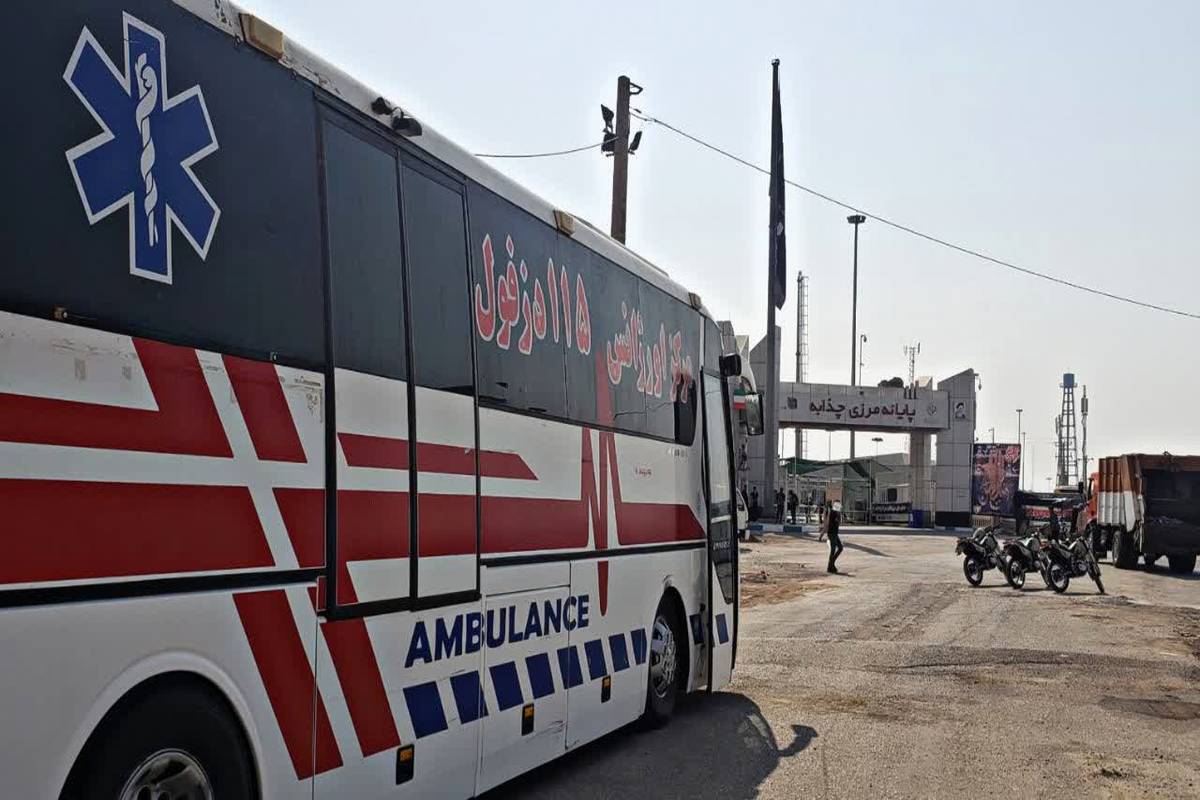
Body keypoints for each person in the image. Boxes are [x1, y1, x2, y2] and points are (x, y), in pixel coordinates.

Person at [825, 500, 844, 573]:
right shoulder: (833, 512)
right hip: (832, 533)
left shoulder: (836, 512)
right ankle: (830, 566)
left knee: (840, 548)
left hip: (834, 533)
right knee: (834, 550)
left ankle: (831, 564)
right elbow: (836, 521)